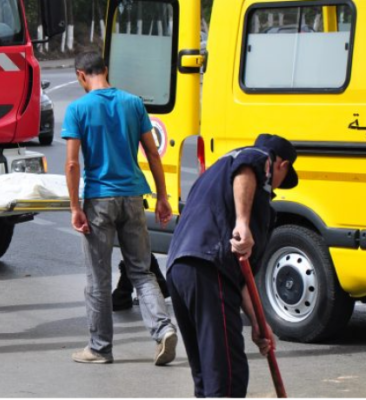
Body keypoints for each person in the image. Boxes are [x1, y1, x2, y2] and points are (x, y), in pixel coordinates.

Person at [62, 51, 178, 365]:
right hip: (133, 197)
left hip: (99, 199)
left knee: (97, 278)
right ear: (106, 70)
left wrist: (75, 206)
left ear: (81, 76)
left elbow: (73, 163)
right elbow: (153, 154)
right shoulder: (133, 103)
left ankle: (100, 348)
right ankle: (163, 328)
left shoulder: (78, 109)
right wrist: (163, 197)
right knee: (142, 271)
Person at [166, 134, 296, 397]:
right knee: (227, 377)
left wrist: (259, 322)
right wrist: (243, 222)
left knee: (208, 375)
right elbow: (249, 165)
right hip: (209, 267)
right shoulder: (257, 159)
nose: (277, 189)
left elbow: (243, 276)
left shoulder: (216, 174)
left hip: (182, 269)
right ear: (281, 165)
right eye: (283, 180)